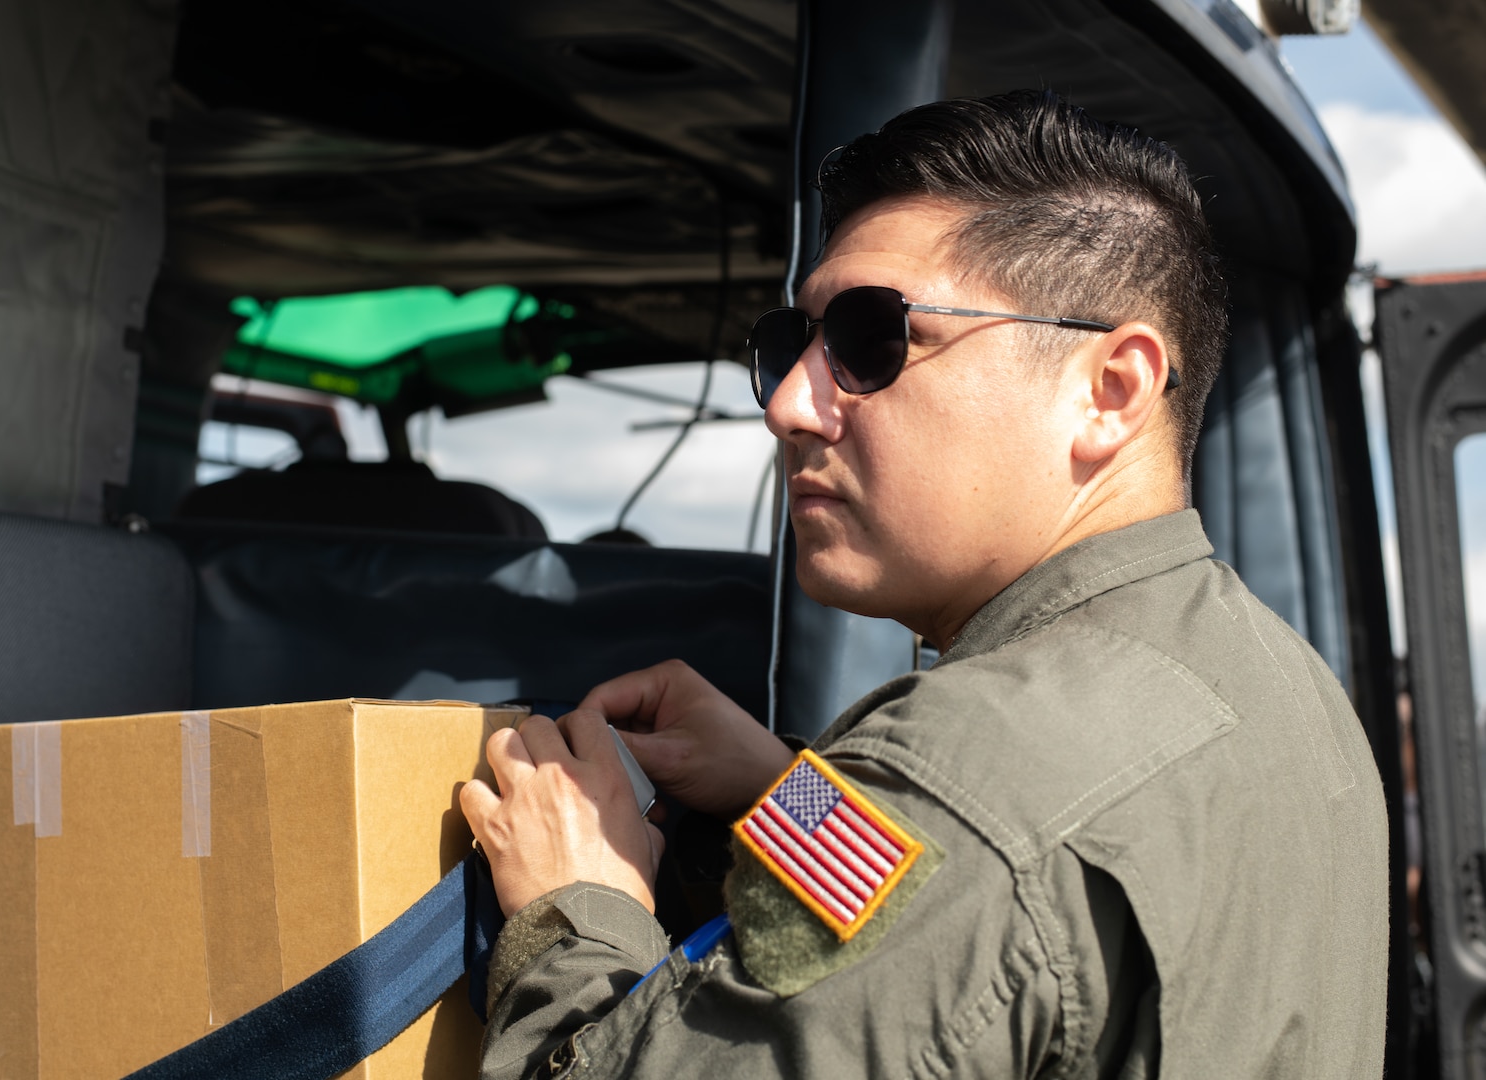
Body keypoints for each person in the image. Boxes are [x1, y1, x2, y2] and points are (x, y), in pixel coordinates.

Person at [459, 90, 1389, 1078]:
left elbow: (974, 842)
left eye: (871, 339)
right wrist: (787, 793)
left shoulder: (963, 773)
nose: (788, 405)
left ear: (1109, 391)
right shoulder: (1277, 680)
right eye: (793, 345)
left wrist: (577, 909)